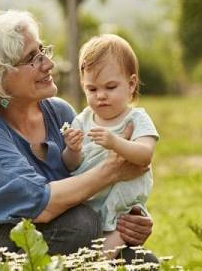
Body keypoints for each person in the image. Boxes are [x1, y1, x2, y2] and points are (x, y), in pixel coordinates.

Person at [0, 10, 155, 264]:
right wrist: (114, 170)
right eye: (33, 58)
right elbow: (40, 205)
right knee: (80, 225)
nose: (48, 64)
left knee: (142, 262)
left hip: (38, 233)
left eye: (43, 51)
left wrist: (128, 217)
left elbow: (85, 182)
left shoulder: (59, 112)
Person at [62, 34, 158, 256]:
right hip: (90, 200)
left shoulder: (136, 119)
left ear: (131, 84)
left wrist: (116, 142)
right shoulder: (82, 119)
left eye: (110, 87)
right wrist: (72, 150)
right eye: (92, 89)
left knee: (105, 251)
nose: (101, 96)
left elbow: (145, 156)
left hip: (122, 206)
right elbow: (70, 165)